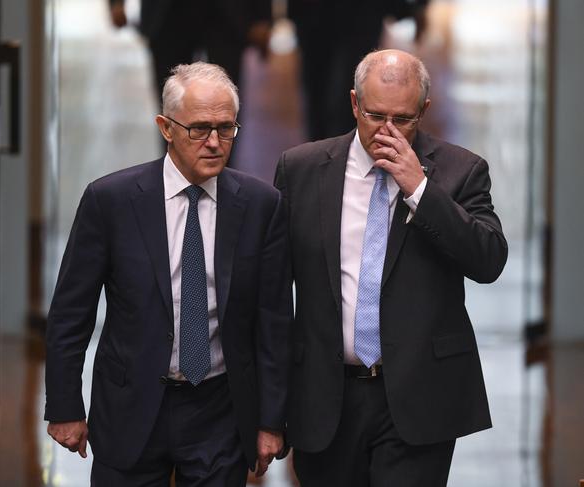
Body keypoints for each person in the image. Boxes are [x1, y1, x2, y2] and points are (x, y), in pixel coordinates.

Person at [45, 61, 291, 486]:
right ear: (166, 127)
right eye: (199, 129)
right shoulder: (112, 201)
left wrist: (271, 420)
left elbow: (274, 324)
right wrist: (66, 406)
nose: (214, 142)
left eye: (226, 128)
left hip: (219, 410)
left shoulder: (260, 205)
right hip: (131, 406)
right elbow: (71, 312)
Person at [274, 49, 507, 486]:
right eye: (374, 115)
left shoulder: (461, 171)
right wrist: (268, 405)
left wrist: (419, 187)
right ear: (354, 104)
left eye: (402, 119)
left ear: (424, 110)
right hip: (325, 398)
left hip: (420, 397)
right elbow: (270, 291)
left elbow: (489, 259)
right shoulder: (301, 169)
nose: (386, 131)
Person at [288, 0, 430, 141]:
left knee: (348, 90)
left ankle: (340, 153)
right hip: (317, 12)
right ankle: (324, 153)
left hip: (360, 12)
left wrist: (420, 6)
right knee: (319, 90)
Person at [108, 0, 272, 109]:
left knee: (225, 103)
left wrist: (263, 15)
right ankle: (173, 161)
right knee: (172, 104)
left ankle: (221, 161)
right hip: (168, 14)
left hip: (225, 15)